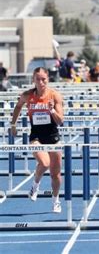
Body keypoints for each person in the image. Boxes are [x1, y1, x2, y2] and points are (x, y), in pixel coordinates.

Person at [10, 67, 64, 213]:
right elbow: (18, 107)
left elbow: (60, 121)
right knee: (44, 162)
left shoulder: (55, 96)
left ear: (48, 79)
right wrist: (13, 124)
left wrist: (52, 110)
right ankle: (35, 185)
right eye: (38, 79)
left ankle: (56, 200)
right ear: (33, 79)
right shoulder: (27, 95)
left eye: (43, 79)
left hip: (53, 137)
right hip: (36, 137)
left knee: (56, 174)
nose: (41, 82)